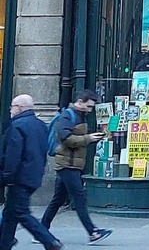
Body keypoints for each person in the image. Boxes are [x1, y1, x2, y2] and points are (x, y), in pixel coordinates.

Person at [41, 89, 113, 244]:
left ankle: (41, 230)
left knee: (58, 199)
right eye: (88, 106)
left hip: (71, 163)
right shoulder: (67, 116)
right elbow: (65, 138)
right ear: (80, 102)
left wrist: (91, 138)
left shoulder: (79, 115)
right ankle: (93, 232)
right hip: (68, 164)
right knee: (79, 198)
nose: (90, 110)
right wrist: (88, 138)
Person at [0, 95, 63, 250]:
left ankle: (50, 241)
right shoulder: (40, 125)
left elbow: (13, 155)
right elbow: (44, 150)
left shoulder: (17, 126)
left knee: (21, 212)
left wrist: (6, 176)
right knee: (10, 212)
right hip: (33, 175)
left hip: (19, 176)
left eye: (13, 106)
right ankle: (5, 242)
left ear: (20, 107)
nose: (11, 110)